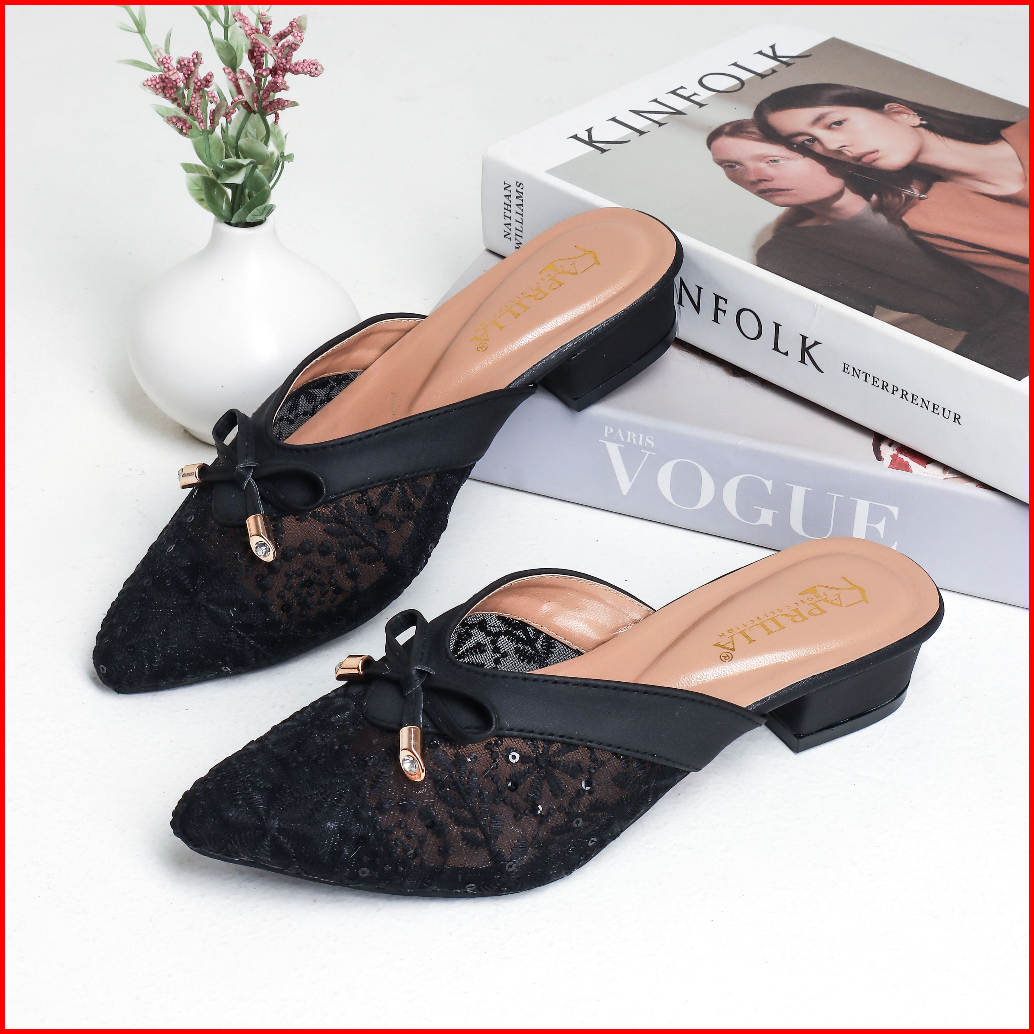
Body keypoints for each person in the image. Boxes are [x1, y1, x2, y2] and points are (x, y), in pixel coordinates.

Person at [707, 120, 1028, 378]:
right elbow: (837, 348)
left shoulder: (926, 182)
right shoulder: (791, 253)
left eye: (773, 160)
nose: (754, 177)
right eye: (731, 166)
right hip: (1010, 346)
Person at [753, 84, 1029, 294]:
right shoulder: (932, 219)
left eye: (835, 123)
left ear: (902, 114)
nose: (832, 146)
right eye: (808, 141)